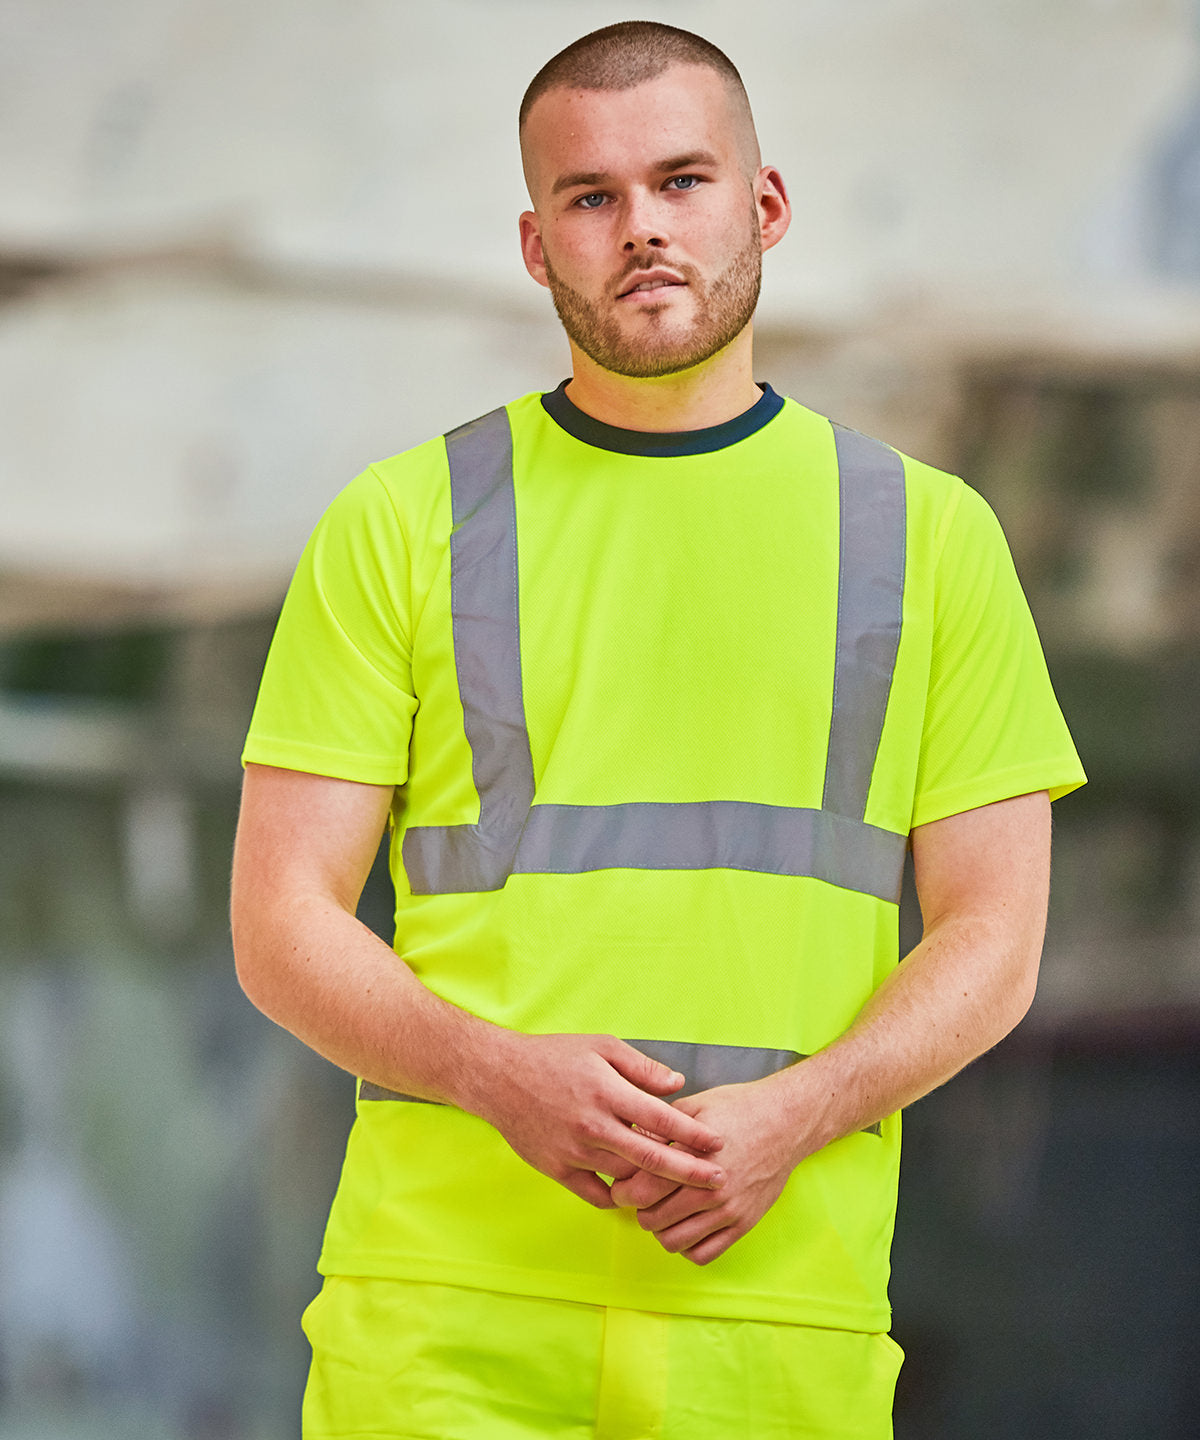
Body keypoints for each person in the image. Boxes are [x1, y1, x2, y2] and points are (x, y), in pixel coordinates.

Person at [231, 20, 1085, 1439]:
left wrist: (796, 1117)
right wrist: (492, 1076)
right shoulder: (401, 524)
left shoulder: (930, 538)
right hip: (445, 1321)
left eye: (683, 182)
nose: (641, 229)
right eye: (591, 196)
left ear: (766, 206)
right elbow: (278, 921)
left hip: (775, 1324)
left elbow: (995, 936)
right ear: (533, 241)